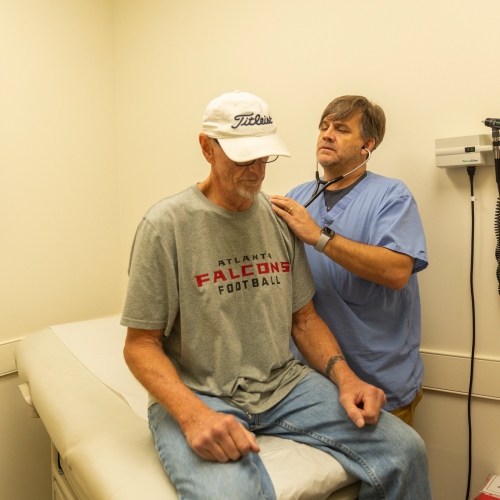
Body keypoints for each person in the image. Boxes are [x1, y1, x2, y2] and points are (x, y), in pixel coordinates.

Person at [121, 90, 432, 499]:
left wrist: (345, 378)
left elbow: (303, 318)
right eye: (241, 156)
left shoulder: (279, 218)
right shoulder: (165, 226)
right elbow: (140, 345)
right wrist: (192, 413)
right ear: (206, 148)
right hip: (204, 392)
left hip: (284, 386)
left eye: (263, 156)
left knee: (406, 449)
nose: (255, 170)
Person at [270, 95, 428, 427]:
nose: (327, 135)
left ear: (367, 145)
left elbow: (398, 271)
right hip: (312, 382)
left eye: (341, 129)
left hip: (380, 383)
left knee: (385, 476)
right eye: (324, 127)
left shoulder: (391, 196)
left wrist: (318, 236)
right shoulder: (298, 198)